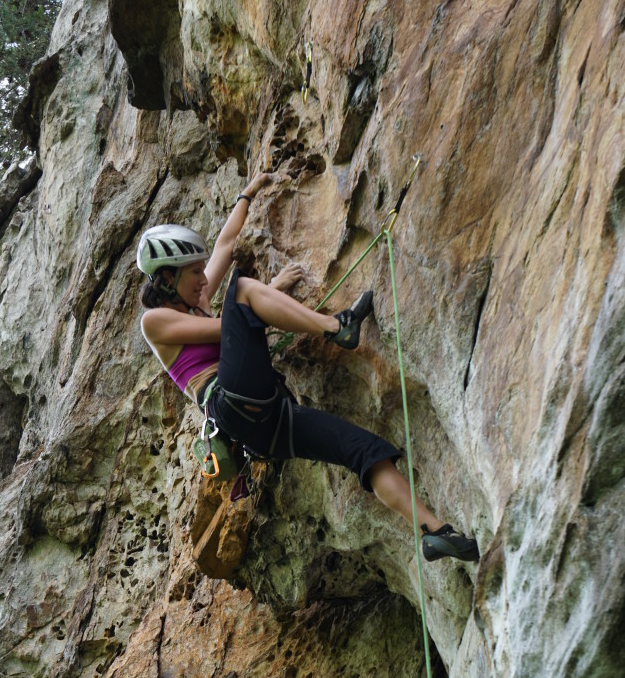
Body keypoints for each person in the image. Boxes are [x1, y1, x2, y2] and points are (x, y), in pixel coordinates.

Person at [137, 171, 479, 563]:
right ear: (166, 279)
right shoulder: (155, 321)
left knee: (365, 451)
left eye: (201, 271)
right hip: (229, 402)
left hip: (267, 424)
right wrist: (267, 293)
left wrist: (247, 193)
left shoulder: (194, 297)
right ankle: (338, 326)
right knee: (243, 288)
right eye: (194, 273)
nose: (202, 278)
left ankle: (435, 532)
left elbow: (225, 245)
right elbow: (222, 328)